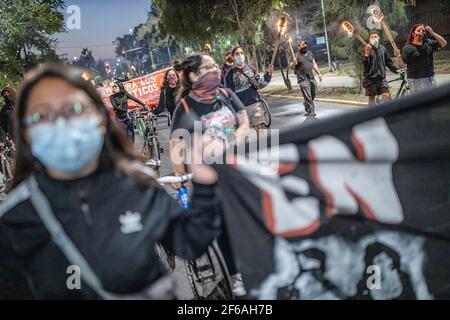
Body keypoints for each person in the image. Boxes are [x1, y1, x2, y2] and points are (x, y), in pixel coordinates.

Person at [0, 64, 221, 299]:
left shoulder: (137, 182)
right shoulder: (14, 221)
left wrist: (205, 184)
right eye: (41, 116)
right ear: (26, 133)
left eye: (74, 108)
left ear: (101, 119)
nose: (61, 123)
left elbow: (191, 243)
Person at [170, 54, 251, 297]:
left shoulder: (226, 94)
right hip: (212, 179)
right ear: (193, 76)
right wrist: (180, 178)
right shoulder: (184, 108)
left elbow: (244, 122)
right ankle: (236, 275)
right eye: (207, 68)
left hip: (240, 167)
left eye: (215, 66)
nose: (214, 70)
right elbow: (177, 146)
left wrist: (234, 140)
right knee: (225, 225)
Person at [224, 46, 274, 128]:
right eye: (237, 54)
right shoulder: (229, 74)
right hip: (241, 109)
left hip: (256, 105)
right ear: (233, 57)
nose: (240, 55)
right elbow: (229, 95)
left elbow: (259, 84)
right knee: (246, 136)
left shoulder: (251, 69)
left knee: (261, 133)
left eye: (241, 53)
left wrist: (268, 75)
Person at [399, 24, 447, 93]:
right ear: (413, 34)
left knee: (432, 101)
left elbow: (444, 43)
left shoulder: (428, 43)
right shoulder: (408, 48)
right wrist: (398, 57)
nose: (421, 32)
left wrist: (432, 33)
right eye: (418, 30)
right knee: (421, 102)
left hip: (431, 77)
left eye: (423, 31)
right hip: (416, 80)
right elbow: (402, 65)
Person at [361, 32, 399, 105]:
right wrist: (366, 53)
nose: (374, 38)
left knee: (386, 95)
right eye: (372, 37)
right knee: (372, 98)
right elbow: (365, 64)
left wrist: (396, 70)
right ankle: (371, 114)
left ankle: (390, 113)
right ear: (369, 39)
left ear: (379, 38)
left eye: (376, 36)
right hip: (370, 79)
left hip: (381, 78)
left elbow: (388, 62)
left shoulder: (383, 48)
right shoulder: (367, 48)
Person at [289, 41, 323, 117]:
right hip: (302, 79)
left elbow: (314, 64)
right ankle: (311, 110)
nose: (305, 45)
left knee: (313, 93)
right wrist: (294, 63)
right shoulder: (296, 55)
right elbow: (290, 67)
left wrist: (319, 74)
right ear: (299, 47)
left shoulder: (310, 54)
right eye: (302, 44)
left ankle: (306, 103)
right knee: (308, 95)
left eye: (305, 44)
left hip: (311, 77)